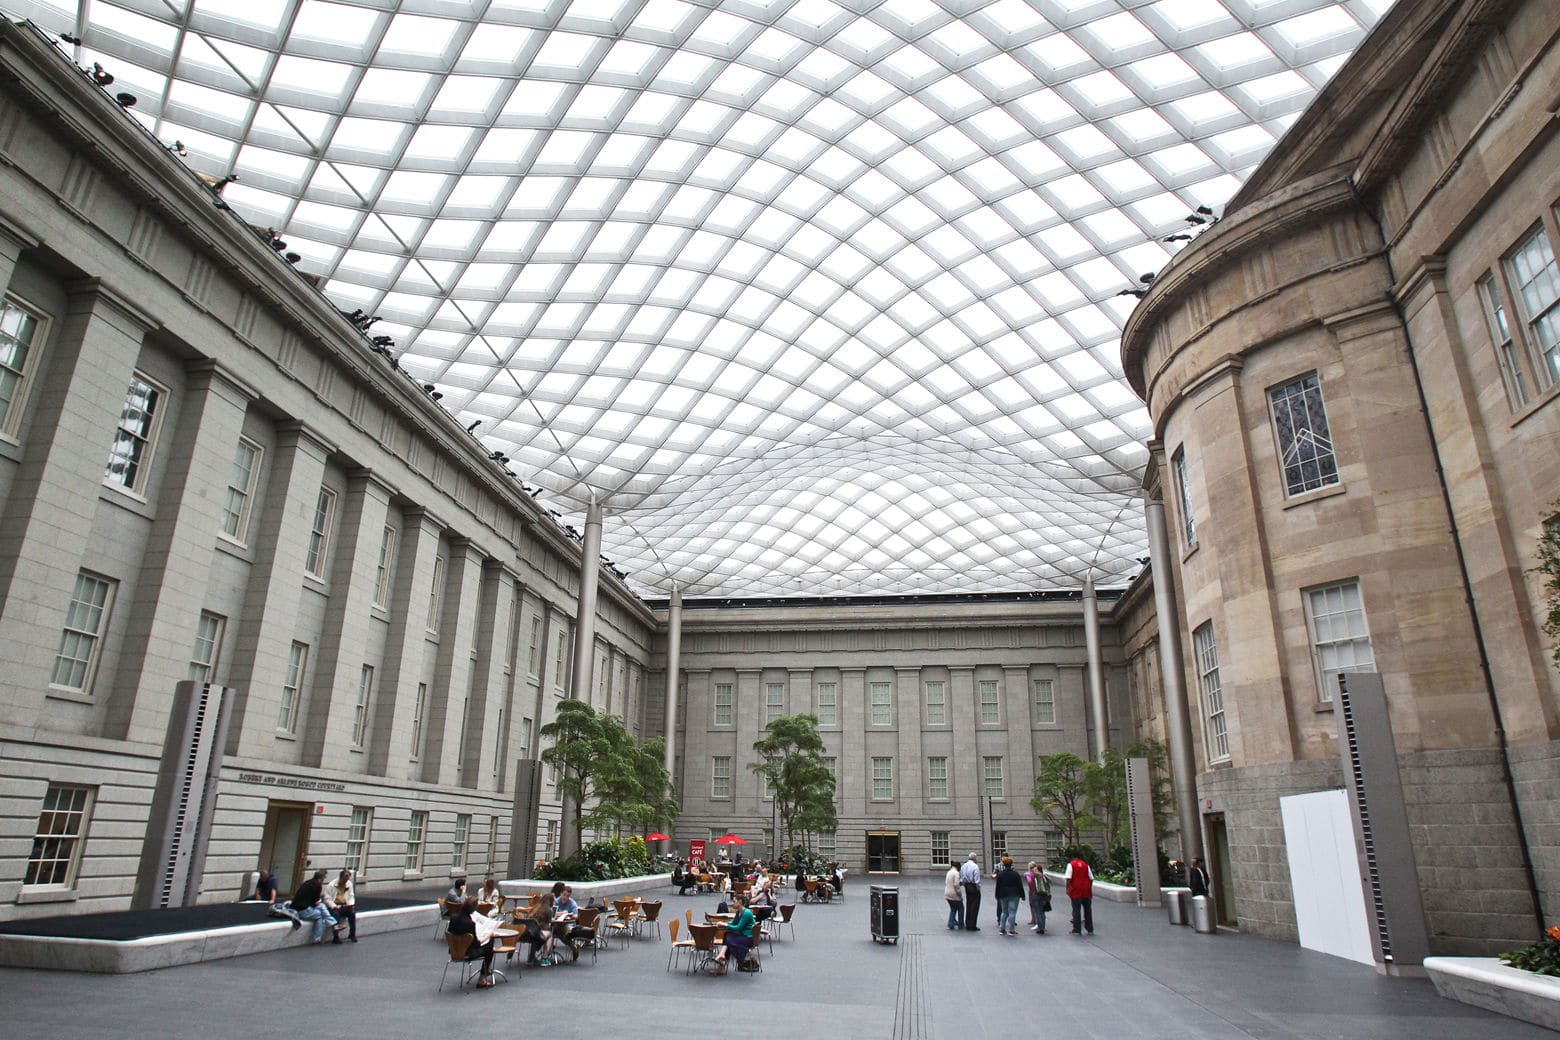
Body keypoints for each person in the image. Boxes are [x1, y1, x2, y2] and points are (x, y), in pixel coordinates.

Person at [447, 896, 498, 988]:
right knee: (490, 946)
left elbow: (450, 932)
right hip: (468, 953)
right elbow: (476, 944)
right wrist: (488, 935)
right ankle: (482, 979)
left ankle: (486, 971)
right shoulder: (470, 923)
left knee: (488, 945)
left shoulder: (453, 918)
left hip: (454, 950)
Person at [291, 868, 345, 945]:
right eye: (324, 878)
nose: (323, 881)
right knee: (320, 914)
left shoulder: (307, 882)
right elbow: (315, 902)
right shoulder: (317, 885)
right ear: (321, 879)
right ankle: (332, 926)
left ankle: (326, 932)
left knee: (321, 909)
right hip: (302, 911)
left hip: (296, 909)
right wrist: (319, 901)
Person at [710, 892, 755, 975]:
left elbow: (738, 927)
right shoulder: (739, 912)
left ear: (740, 902)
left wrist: (725, 925)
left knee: (728, 938)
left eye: (734, 901)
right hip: (743, 935)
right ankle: (722, 956)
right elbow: (733, 923)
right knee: (727, 935)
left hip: (748, 938)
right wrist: (723, 923)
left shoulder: (746, 913)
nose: (733, 903)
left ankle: (722, 963)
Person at [994, 856, 1024, 935]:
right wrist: (1022, 895)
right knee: (1012, 912)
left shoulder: (1000, 874)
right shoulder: (1015, 874)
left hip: (1003, 894)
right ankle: (1011, 930)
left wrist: (997, 895)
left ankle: (1002, 929)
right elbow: (1020, 885)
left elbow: (998, 886)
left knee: (1004, 912)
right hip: (1014, 894)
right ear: (1011, 864)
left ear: (1004, 864)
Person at [1065, 854, 1095, 936]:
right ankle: (1090, 928)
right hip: (1086, 891)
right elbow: (1091, 878)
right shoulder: (1086, 865)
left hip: (1076, 890)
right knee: (1088, 910)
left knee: (1076, 910)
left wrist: (1067, 889)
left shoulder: (1071, 865)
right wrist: (1088, 886)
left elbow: (1068, 878)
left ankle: (1077, 929)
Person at [327, 869, 357, 942]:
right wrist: (334, 906)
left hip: (344, 905)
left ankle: (352, 934)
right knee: (336, 914)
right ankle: (336, 936)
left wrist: (350, 904)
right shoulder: (332, 885)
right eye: (344, 880)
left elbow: (351, 896)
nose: (345, 882)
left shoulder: (349, 884)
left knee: (352, 913)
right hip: (335, 905)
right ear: (341, 878)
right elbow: (327, 898)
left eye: (347, 880)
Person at [1024, 861, 1050, 934]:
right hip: (1044, 895)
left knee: (1038, 911)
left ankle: (1040, 928)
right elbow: (1048, 884)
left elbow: (1030, 883)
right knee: (1042, 912)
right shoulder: (1043, 876)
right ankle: (1043, 927)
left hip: (1036, 894)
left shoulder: (1033, 876)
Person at [960, 853, 983, 931]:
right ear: (974, 858)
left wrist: (965, 885)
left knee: (969, 904)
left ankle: (968, 923)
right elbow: (977, 880)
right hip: (973, 886)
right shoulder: (975, 866)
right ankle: (972, 925)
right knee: (975, 906)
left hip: (967, 886)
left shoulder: (964, 866)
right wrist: (978, 888)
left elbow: (962, 878)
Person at [943, 859, 964, 930]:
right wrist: (960, 895)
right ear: (958, 867)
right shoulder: (956, 873)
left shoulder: (949, 872)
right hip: (954, 894)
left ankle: (951, 923)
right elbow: (956, 885)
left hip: (947, 893)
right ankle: (960, 924)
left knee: (953, 909)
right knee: (961, 908)